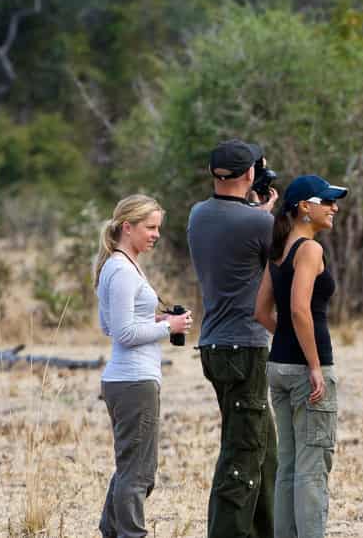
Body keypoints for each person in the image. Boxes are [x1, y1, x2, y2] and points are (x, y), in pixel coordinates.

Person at [187, 139, 279, 538]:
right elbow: (277, 261)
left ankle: (269, 529)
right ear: (250, 175)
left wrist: (257, 211)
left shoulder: (198, 214)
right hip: (245, 345)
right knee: (242, 454)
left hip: (214, 343)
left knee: (265, 449)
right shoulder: (259, 222)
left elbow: (234, 238)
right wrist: (267, 214)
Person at [254, 175, 348, 538]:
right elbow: (298, 310)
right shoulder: (309, 250)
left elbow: (261, 312)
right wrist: (313, 365)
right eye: (327, 201)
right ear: (304, 208)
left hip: (278, 367)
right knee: (312, 469)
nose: (334, 207)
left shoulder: (278, 251)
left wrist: (291, 344)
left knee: (289, 468)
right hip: (306, 370)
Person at [95, 194, 192, 538]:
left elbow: (114, 324)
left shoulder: (120, 265)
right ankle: (130, 533)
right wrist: (169, 327)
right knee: (138, 474)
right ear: (127, 227)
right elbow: (121, 332)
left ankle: (110, 529)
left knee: (132, 467)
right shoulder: (121, 269)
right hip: (134, 380)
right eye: (150, 228)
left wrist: (157, 318)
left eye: (157, 228)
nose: (155, 234)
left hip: (130, 378)